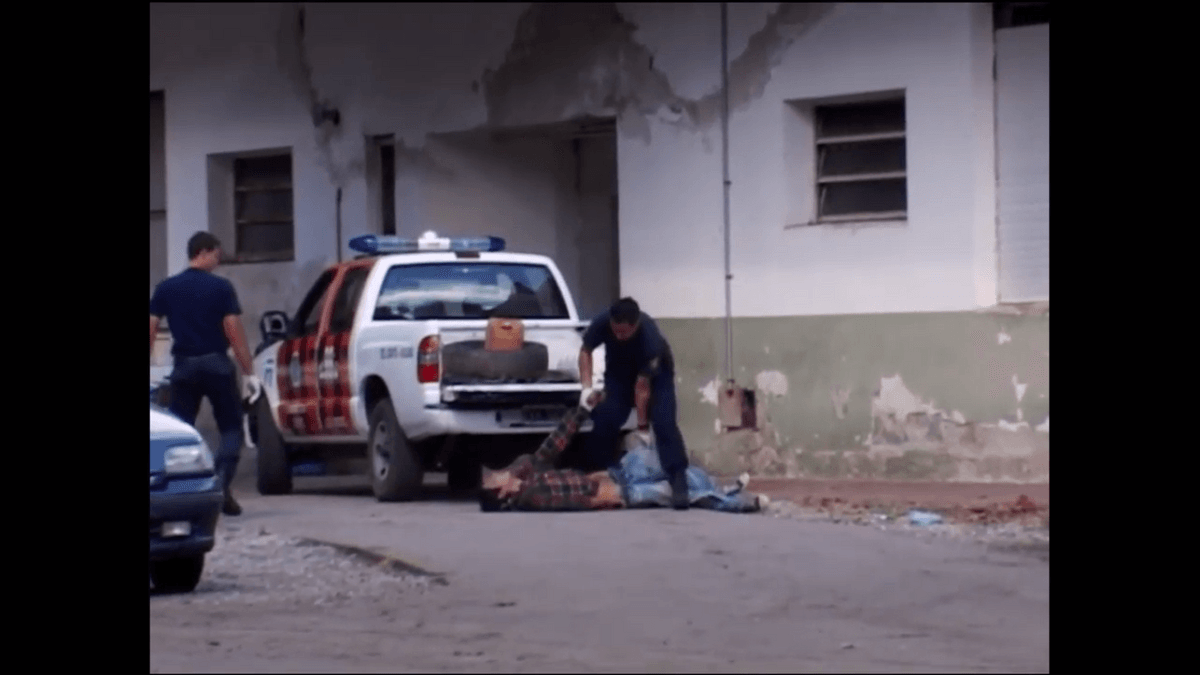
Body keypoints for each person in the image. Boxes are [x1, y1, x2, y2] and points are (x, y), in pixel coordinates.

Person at [150, 232, 262, 516]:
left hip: (184, 366)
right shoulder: (221, 288)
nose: (218, 260)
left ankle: (179, 494)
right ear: (204, 252)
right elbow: (233, 331)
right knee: (231, 427)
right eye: (216, 254)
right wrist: (249, 372)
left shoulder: (166, 288)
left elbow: (150, 328)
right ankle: (222, 483)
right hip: (216, 363)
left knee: (181, 429)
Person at [578, 297, 691, 509]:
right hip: (619, 375)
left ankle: (678, 480)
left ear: (635, 325)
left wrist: (642, 429)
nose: (619, 336)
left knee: (664, 422)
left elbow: (642, 388)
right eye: (615, 331)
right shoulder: (602, 322)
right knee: (605, 417)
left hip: (656, 379)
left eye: (624, 333)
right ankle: (603, 474)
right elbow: (586, 350)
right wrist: (586, 387)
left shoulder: (650, 338)